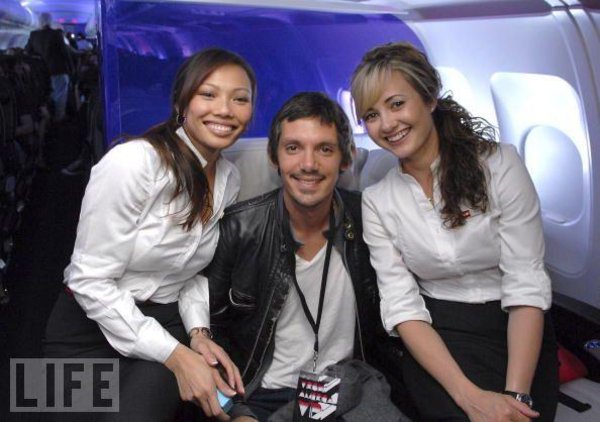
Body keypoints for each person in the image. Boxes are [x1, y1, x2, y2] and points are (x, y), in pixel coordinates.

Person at [43, 48, 256, 421]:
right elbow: (87, 280)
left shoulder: (229, 179)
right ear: (181, 103)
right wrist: (175, 354)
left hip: (164, 326)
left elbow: (191, 272)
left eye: (240, 99)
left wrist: (198, 333)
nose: (225, 109)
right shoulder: (133, 163)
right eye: (208, 94)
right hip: (86, 330)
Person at [350, 42, 559, 421]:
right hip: (437, 336)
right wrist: (469, 396)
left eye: (397, 104)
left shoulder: (500, 165)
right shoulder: (378, 201)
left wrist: (516, 395)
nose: (387, 124)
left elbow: (526, 281)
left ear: (429, 98)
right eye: (372, 115)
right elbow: (402, 305)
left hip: (518, 328)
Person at [207, 92, 406, 422]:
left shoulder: (370, 220)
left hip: (342, 389)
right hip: (259, 396)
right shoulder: (239, 228)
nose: (309, 164)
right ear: (274, 157)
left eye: (324, 149)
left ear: (346, 159)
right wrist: (235, 409)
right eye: (293, 148)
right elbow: (209, 331)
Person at [25, 12, 74, 122]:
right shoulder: (56, 34)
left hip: (41, 73)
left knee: (46, 95)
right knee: (60, 95)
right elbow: (65, 53)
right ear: (50, 21)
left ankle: (47, 120)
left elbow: (27, 51)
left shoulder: (33, 35)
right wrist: (71, 68)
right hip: (58, 70)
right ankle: (59, 118)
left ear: (39, 22)